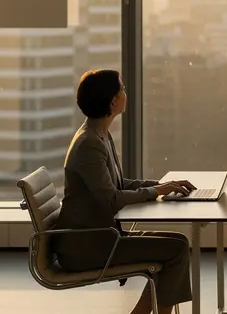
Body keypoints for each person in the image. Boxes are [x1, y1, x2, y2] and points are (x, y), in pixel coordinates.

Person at [54, 69, 196, 314]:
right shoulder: (89, 143)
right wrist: (155, 190)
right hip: (87, 247)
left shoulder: (99, 135)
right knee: (176, 250)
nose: (125, 93)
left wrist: (161, 186)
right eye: (122, 89)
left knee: (177, 242)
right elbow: (111, 199)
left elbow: (118, 185)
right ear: (112, 101)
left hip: (99, 237)